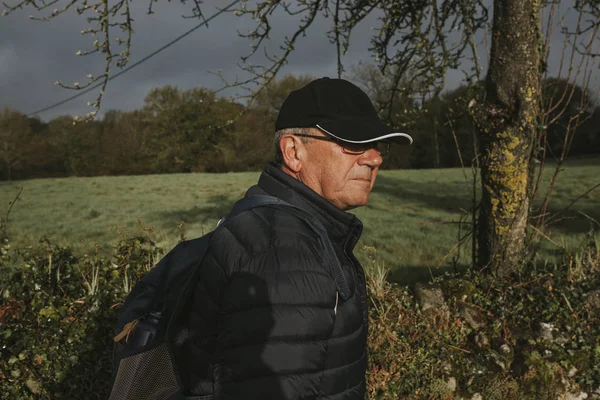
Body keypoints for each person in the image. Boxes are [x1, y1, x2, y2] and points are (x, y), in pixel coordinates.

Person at [179, 77, 413, 400]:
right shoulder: (286, 255)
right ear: (293, 151)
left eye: (376, 145)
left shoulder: (273, 223)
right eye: (353, 142)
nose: (374, 158)